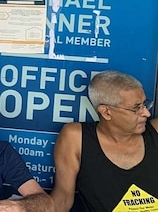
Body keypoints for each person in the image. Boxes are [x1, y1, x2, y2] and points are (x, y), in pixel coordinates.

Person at [51, 70, 157, 212]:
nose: (146, 113)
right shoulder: (76, 137)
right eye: (136, 108)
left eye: (145, 104)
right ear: (106, 112)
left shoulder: (155, 132)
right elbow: (62, 201)